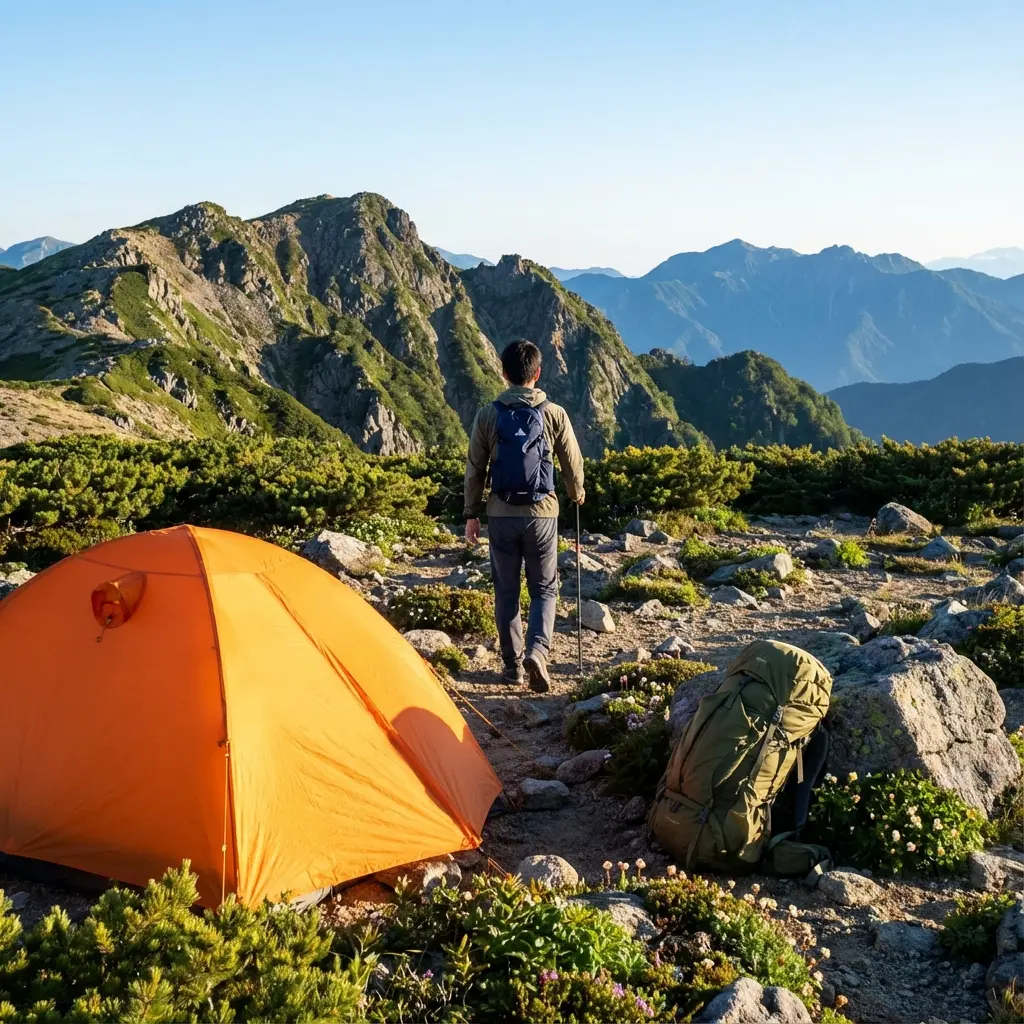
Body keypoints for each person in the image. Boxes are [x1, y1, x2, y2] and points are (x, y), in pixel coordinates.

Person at [464, 340, 584, 692]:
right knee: (544, 588)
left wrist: (471, 513)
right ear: (538, 373)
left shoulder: (488, 414)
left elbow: (475, 468)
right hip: (543, 515)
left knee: (506, 591)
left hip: (501, 515)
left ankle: (512, 667)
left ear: (504, 372)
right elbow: (571, 462)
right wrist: (577, 492)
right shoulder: (554, 413)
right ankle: (538, 651)